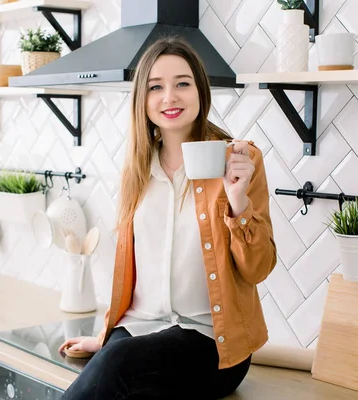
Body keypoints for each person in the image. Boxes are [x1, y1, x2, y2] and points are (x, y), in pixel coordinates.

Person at [58, 36, 277, 400]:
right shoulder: (137, 168)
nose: (169, 97)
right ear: (142, 100)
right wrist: (105, 342)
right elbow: (133, 277)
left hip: (211, 344)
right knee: (124, 368)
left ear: (200, 91)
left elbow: (259, 269)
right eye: (155, 87)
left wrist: (238, 203)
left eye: (182, 84)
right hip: (137, 335)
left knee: (121, 363)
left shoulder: (240, 161)